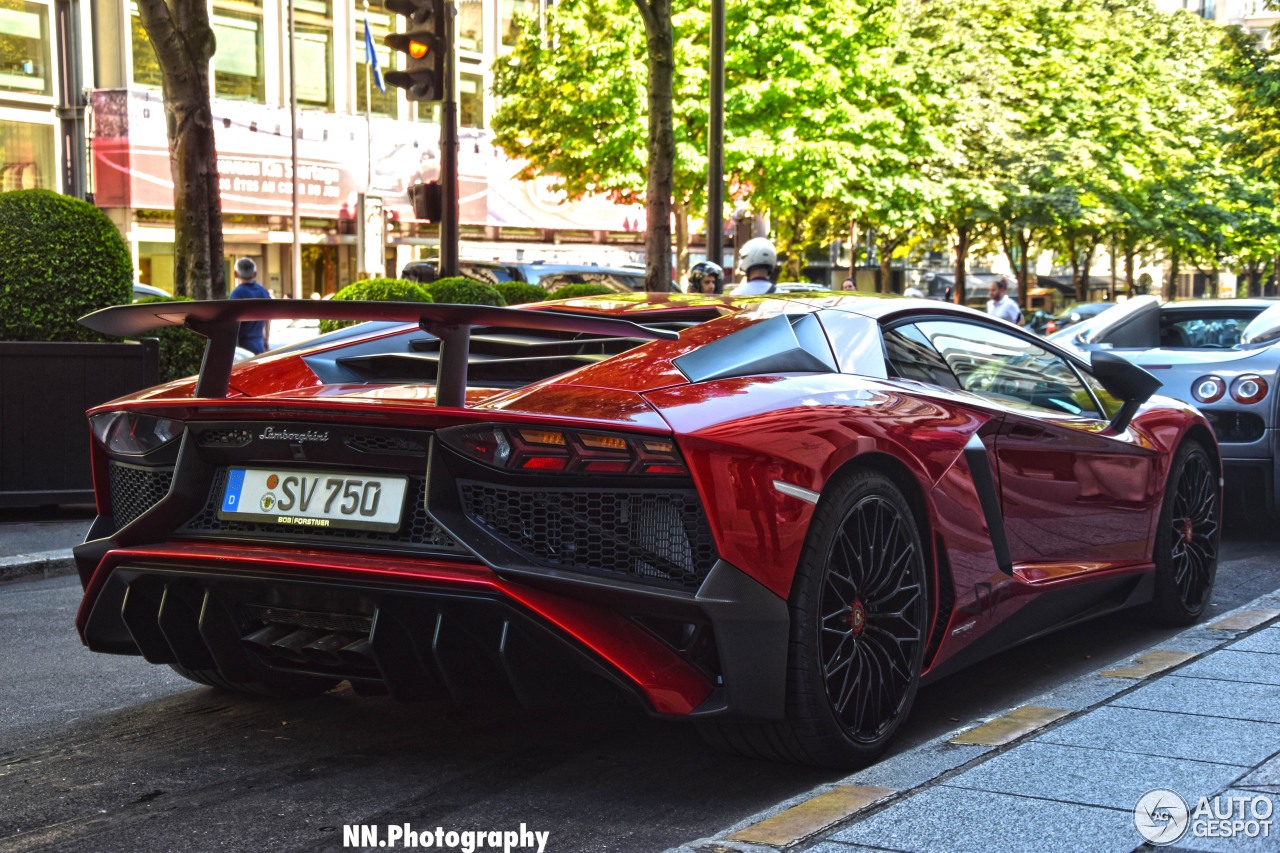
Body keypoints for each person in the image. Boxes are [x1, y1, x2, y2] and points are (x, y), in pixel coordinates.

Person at [229, 257, 271, 354]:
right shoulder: (263, 292)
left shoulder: (237, 294)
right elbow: (268, 319)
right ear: (255, 274)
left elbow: (233, 323)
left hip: (242, 347)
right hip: (259, 344)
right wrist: (266, 340)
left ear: (235, 274)